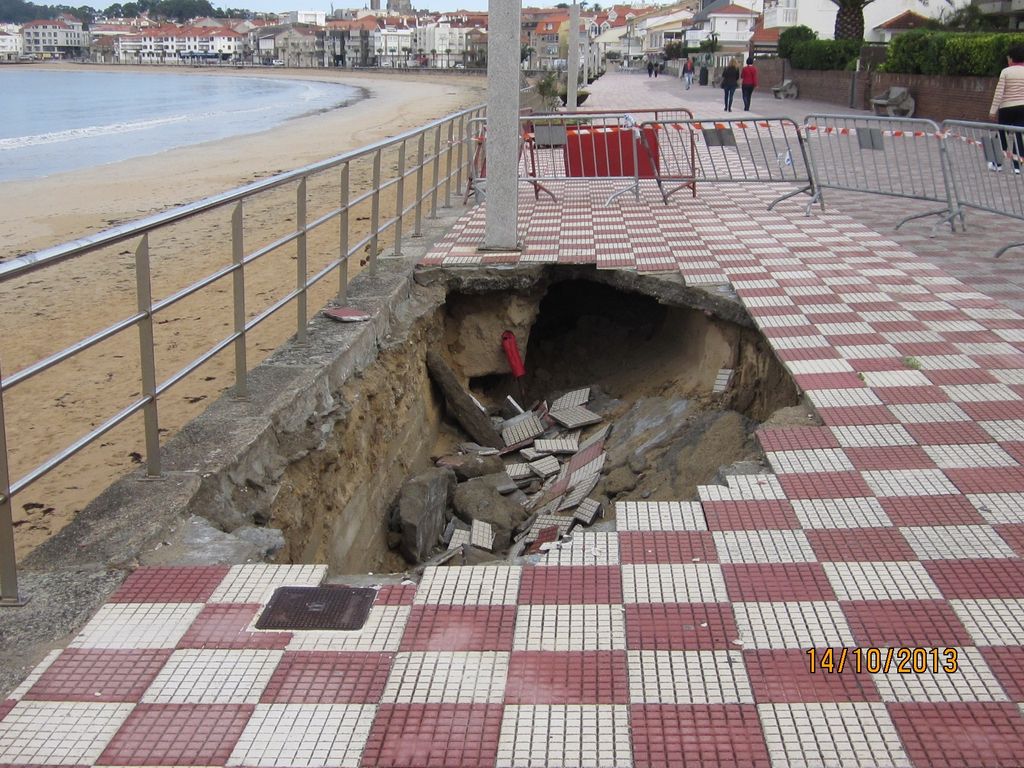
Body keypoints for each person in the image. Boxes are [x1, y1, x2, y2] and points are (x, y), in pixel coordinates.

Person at [989, 42, 1024, 174]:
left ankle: (997, 164)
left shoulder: (1005, 71)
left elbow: (999, 92)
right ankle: (1016, 166)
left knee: (1002, 134)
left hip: (1006, 108)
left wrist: (993, 110)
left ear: (1011, 58)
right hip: (1022, 108)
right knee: (1019, 136)